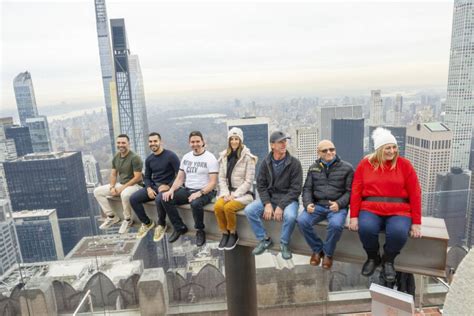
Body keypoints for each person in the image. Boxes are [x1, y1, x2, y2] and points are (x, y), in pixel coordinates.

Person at [349, 127, 422, 282]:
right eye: (387, 148)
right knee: (367, 228)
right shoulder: (365, 165)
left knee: (398, 232)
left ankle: (388, 260)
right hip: (370, 208)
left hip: (399, 210)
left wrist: (416, 222)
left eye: (394, 147)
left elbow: (415, 193)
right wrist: (354, 216)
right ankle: (372, 257)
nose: (392, 151)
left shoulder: (404, 165)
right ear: (379, 149)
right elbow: (356, 191)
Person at [244, 131, 303, 260]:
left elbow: (296, 189)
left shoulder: (294, 163)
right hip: (270, 198)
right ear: (272, 145)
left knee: (291, 216)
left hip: (288, 200)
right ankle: (264, 239)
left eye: (285, 141)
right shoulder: (266, 162)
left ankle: (284, 243)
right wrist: (267, 204)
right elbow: (261, 185)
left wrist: (281, 206)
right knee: (249, 210)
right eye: (280, 142)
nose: (284, 144)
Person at [297, 140, 353, 269]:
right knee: (302, 221)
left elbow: (350, 192)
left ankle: (328, 254)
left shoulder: (347, 168)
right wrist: (307, 204)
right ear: (318, 153)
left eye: (331, 149)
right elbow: (307, 189)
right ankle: (317, 250)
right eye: (325, 150)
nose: (329, 152)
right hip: (318, 205)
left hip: (336, 207)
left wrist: (339, 204)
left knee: (335, 225)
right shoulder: (313, 168)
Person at [162, 131, 218, 246]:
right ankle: (179, 227)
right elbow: (180, 178)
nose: (195, 144)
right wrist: (171, 190)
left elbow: (213, 183)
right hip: (188, 189)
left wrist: (200, 193)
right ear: (189, 143)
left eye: (198, 141)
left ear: (203, 142)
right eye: (192, 142)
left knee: (195, 203)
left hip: (206, 191)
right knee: (166, 198)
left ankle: (200, 230)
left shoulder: (210, 158)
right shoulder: (186, 157)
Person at [129, 132, 180, 241]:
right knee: (133, 199)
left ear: (160, 142)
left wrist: (169, 186)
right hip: (153, 187)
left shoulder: (171, 156)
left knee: (158, 199)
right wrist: (148, 189)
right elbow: (146, 177)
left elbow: (180, 175)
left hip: (166, 187)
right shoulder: (149, 159)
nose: (153, 143)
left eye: (155, 141)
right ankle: (147, 223)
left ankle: (161, 224)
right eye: (150, 141)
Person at [214, 127, 257, 251]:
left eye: (236, 139)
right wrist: (226, 193)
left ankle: (233, 233)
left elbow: (248, 181)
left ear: (240, 140)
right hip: (227, 192)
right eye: (231, 139)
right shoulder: (224, 156)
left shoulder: (248, 158)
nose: (234, 141)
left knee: (228, 208)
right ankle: (224, 233)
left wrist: (234, 195)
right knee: (218, 207)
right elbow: (221, 178)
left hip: (243, 194)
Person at [94, 134, 143, 233]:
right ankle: (112, 216)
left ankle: (128, 220)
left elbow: (137, 177)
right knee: (97, 191)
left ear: (128, 144)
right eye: (119, 143)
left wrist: (121, 189)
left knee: (125, 195)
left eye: (123, 143)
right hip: (121, 184)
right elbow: (113, 175)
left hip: (135, 185)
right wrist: (112, 187)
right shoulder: (116, 156)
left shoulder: (135, 158)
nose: (121, 145)